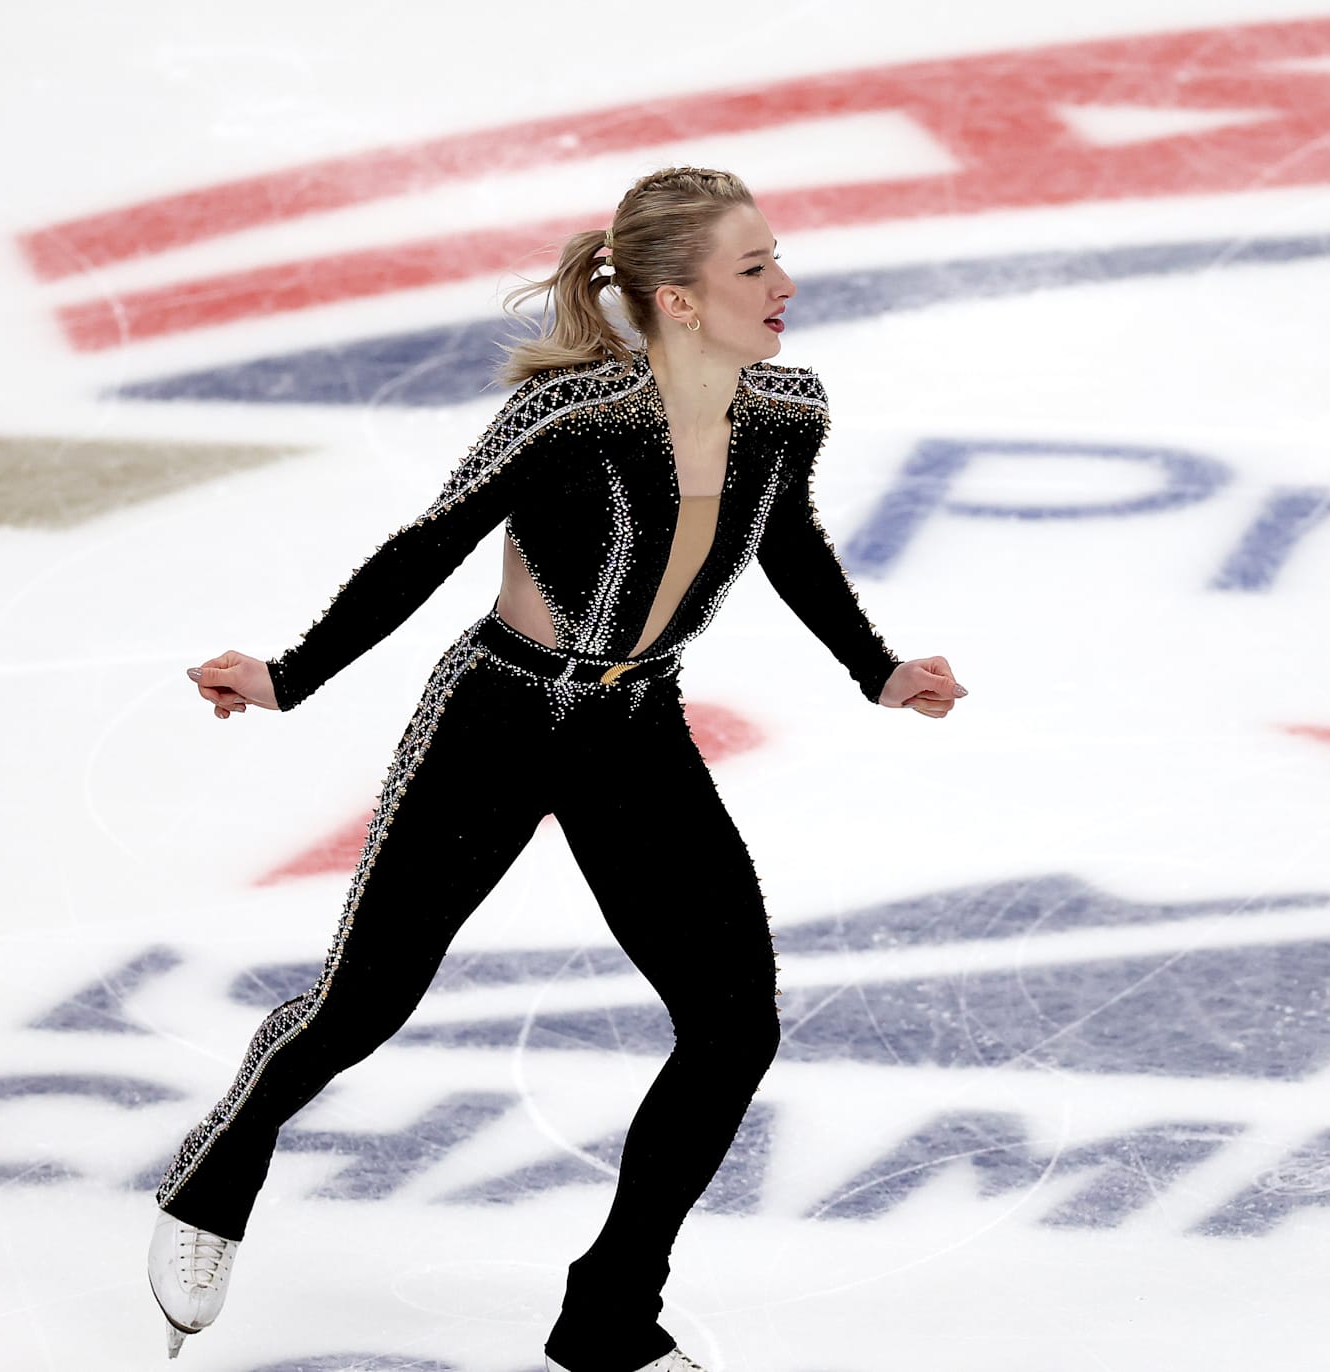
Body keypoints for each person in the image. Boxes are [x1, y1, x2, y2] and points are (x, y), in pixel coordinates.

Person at [144, 166, 966, 1372]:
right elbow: (426, 546)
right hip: (497, 718)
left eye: (776, 258)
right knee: (360, 1006)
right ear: (679, 301)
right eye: (754, 269)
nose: (785, 285)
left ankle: (608, 1316)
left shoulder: (788, 409)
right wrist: (288, 672)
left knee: (734, 1024)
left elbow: (787, 542)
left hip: (636, 731)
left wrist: (876, 669)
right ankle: (214, 1180)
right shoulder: (575, 417)